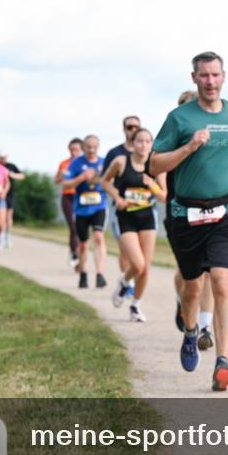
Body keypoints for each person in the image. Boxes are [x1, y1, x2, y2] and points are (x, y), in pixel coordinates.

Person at [149, 51, 228, 391]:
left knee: (222, 280)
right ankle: (191, 332)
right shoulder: (179, 118)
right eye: (203, 76)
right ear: (194, 78)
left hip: (226, 210)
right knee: (192, 287)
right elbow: (154, 166)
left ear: (224, 77)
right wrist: (188, 148)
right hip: (185, 215)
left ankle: (223, 359)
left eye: (215, 75)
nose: (210, 81)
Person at [102, 128, 168, 322]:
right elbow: (105, 181)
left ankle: (135, 306)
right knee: (137, 264)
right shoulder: (121, 162)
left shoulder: (156, 165)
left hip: (147, 218)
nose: (144, 145)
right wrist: (117, 197)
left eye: (148, 141)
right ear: (133, 143)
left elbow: (165, 196)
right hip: (125, 217)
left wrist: (152, 185)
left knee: (145, 267)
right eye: (140, 141)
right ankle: (124, 282)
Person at [170, 90, 216, 351]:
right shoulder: (172, 139)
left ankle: (206, 325)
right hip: (179, 214)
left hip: (211, 212)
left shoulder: (212, 139)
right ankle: (183, 301)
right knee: (189, 275)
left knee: (209, 272)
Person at [104, 116, 142, 299]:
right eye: (129, 127)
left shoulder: (149, 152)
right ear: (124, 129)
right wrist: (117, 197)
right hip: (122, 209)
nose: (133, 129)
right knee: (125, 250)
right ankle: (129, 284)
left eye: (136, 126)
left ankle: (134, 286)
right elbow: (105, 179)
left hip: (145, 209)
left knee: (141, 255)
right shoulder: (115, 154)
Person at [64, 135, 108, 288]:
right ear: (83, 148)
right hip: (81, 209)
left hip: (99, 206)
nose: (91, 150)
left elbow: (111, 181)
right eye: (88, 147)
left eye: (94, 147)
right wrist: (81, 177)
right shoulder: (76, 163)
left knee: (98, 237)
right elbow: (66, 184)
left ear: (98, 146)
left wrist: (98, 179)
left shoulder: (104, 163)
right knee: (83, 244)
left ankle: (100, 274)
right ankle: (83, 274)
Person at [55, 138, 84, 268]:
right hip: (67, 197)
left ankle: (79, 251)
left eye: (77, 149)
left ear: (81, 149)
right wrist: (61, 176)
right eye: (72, 149)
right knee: (73, 227)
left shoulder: (84, 163)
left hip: (81, 197)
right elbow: (56, 180)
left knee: (79, 227)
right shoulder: (64, 163)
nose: (74, 152)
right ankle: (73, 252)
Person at [0, 153, 25, 248]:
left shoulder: (11, 166)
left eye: (5, 157)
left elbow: (22, 176)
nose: (3, 159)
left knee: (8, 216)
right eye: (1, 157)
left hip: (9, 194)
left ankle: (7, 236)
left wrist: (12, 175)